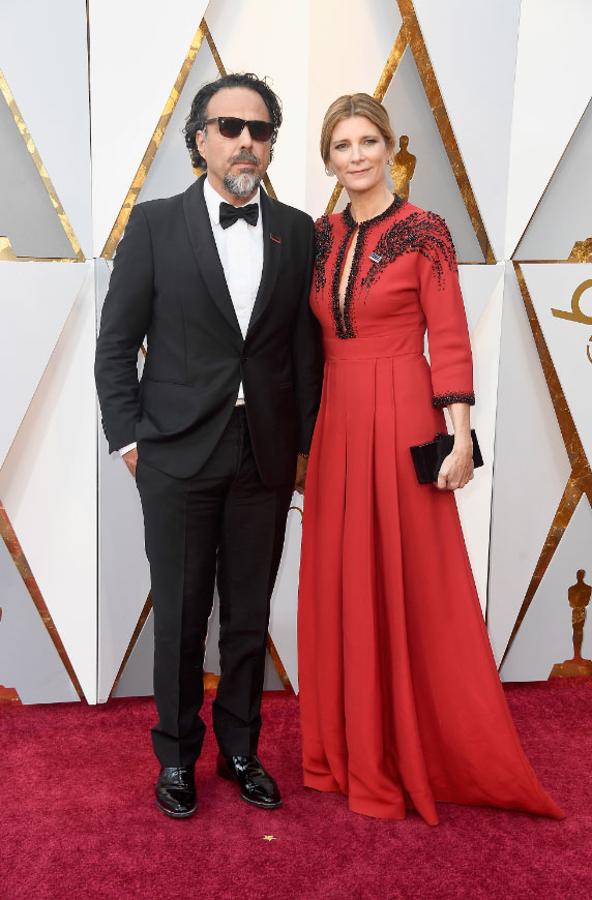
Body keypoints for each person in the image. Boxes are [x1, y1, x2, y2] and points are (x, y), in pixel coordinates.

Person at [297, 93, 564, 825]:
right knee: (340, 578)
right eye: (342, 144)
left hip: (404, 414)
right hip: (337, 423)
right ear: (328, 158)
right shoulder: (317, 238)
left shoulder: (425, 231)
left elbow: (447, 338)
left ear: (390, 148)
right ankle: (341, 752)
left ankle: (414, 744)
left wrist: (461, 436)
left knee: (413, 580)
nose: (356, 155)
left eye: (367, 141)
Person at [95, 73, 322, 819]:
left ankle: (241, 749)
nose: (245, 141)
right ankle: (176, 759)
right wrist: (130, 440)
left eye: (259, 130)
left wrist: (304, 449)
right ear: (200, 141)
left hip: (263, 454)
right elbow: (117, 344)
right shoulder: (156, 224)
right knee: (183, 618)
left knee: (248, 616)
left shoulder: (297, 230)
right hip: (174, 454)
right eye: (229, 127)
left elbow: (301, 352)